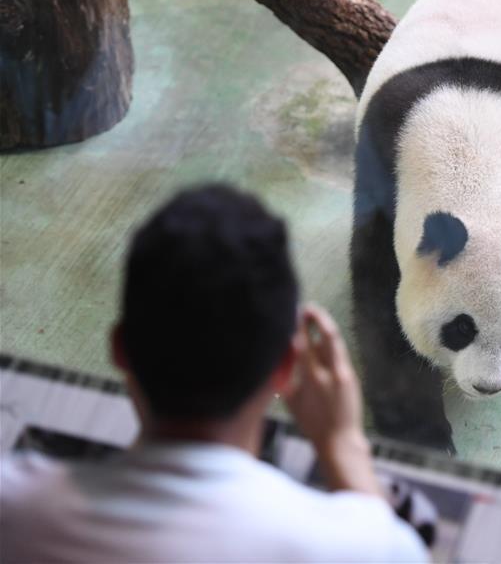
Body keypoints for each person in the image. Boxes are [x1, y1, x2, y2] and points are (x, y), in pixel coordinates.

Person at [0, 184, 429, 563]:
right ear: (284, 369)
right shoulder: (357, 547)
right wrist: (342, 445)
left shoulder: (14, 509)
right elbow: (389, 546)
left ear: (120, 349)